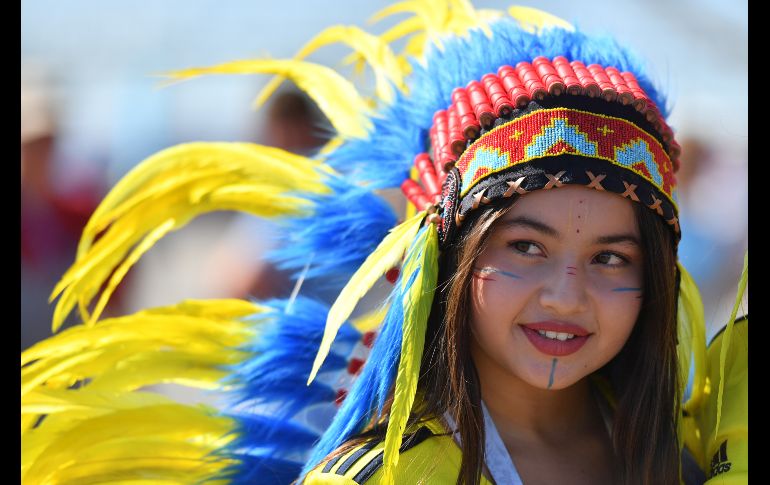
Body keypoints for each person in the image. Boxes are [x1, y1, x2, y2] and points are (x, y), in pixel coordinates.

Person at [20, 3, 746, 485]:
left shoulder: (696, 453)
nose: (566, 294)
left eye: (611, 258)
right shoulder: (377, 474)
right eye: (525, 246)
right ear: (448, 258)